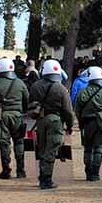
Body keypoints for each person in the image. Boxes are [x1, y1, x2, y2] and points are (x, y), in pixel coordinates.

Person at [29, 59, 76, 189]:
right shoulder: (61, 88)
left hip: (40, 120)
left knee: (42, 148)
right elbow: (67, 110)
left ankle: (42, 175)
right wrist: (70, 125)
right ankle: (46, 179)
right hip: (55, 121)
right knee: (51, 150)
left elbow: (31, 103)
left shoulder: (35, 86)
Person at [0, 58, 30, 179]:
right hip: (17, 116)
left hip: (2, 116)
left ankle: (6, 170)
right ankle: (21, 170)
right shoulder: (20, 83)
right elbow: (27, 100)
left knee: (4, 143)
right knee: (19, 141)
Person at [75, 65, 102, 183]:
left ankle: (88, 172)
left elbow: (77, 111)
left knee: (88, 148)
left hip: (86, 123)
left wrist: (80, 123)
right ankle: (95, 173)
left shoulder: (82, 92)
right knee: (99, 148)